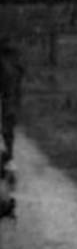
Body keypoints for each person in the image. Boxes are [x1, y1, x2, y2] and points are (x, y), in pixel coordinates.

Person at [0, 37, 24, 179]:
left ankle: (8, 159)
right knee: (8, 128)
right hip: (9, 99)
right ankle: (9, 159)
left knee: (7, 128)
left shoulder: (11, 64)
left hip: (8, 99)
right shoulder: (14, 64)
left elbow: (14, 84)